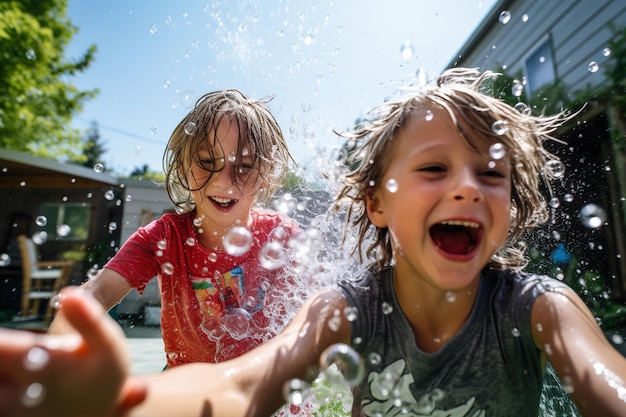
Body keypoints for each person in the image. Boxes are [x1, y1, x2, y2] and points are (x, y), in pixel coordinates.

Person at [2, 67, 626, 417]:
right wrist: (113, 388)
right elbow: (236, 384)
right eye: (434, 169)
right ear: (376, 202)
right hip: (190, 386)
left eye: (489, 173)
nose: (466, 187)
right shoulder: (167, 240)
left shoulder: (536, 307)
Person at [48, 89, 303, 368]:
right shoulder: (164, 239)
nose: (223, 181)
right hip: (191, 394)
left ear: (266, 174)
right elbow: (97, 292)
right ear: (182, 168)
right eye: (207, 162)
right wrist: (52, 355)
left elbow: (325, 309)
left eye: (244, 165)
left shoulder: (282, 237)